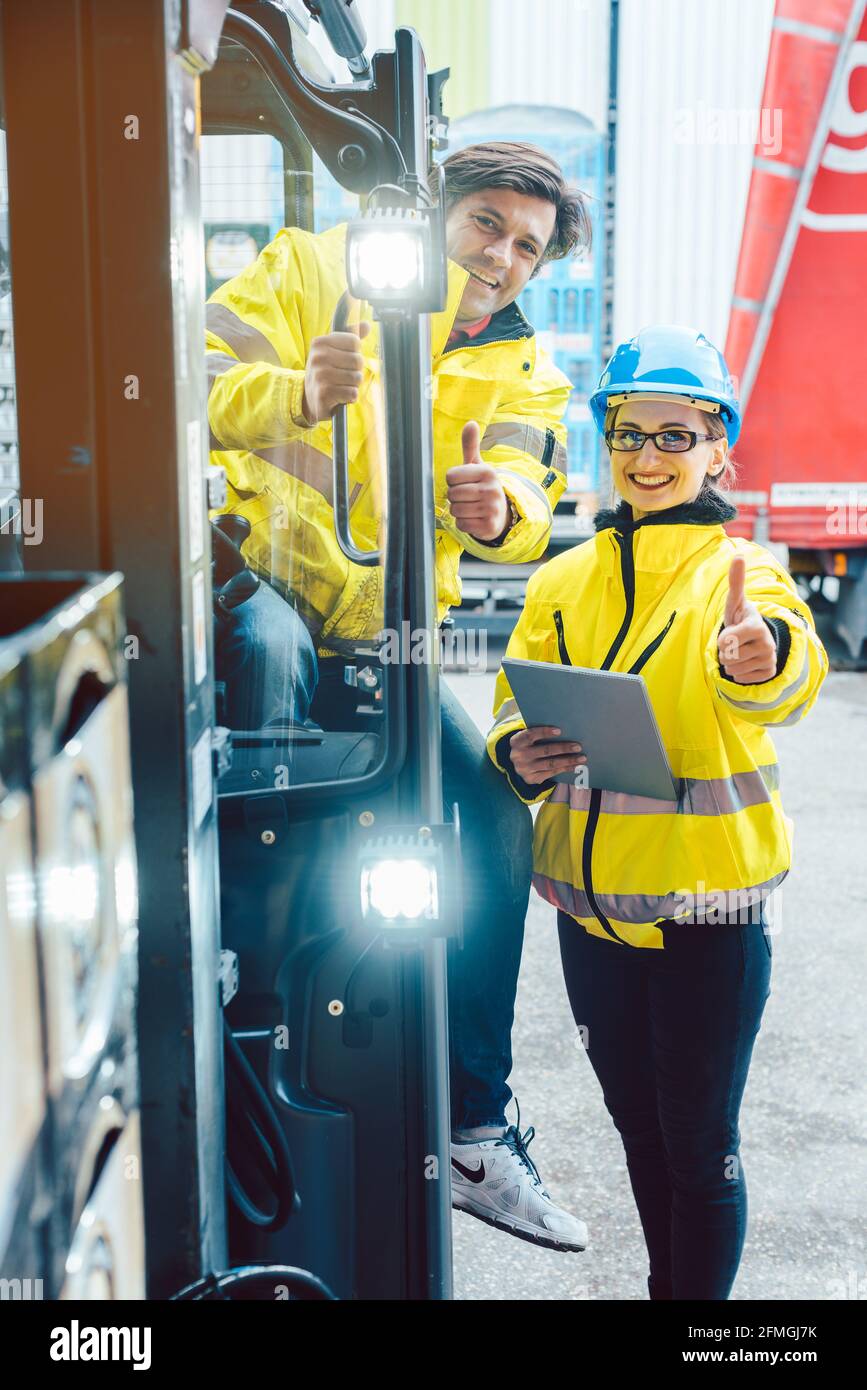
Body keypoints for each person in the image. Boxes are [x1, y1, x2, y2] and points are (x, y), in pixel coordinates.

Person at [206, 142, 592, 1250]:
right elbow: (191, 379)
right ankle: (242, 1022)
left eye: (526, 245)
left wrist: (499, 507)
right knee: (266, 696)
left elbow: (531, 477)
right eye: (487, 223)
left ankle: (473, 1128)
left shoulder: (520, 366)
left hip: (393, 636)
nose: (502, 257)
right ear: (440, 211)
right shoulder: (307, 268)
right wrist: (295, 390)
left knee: (486, 817)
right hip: (269, 592)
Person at [485, 325, 828, 1297]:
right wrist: (515, 750)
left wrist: (759, 658)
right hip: (592, 915)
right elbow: (516, 702)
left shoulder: (743, 575)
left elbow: (785, 667)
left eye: (676, 436)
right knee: (639, 1126)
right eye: (629, 432)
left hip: (706, 914)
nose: (647, 456)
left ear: (719, 448)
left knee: (698, 1145)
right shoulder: (560, 582)